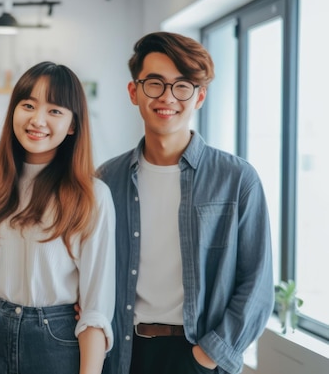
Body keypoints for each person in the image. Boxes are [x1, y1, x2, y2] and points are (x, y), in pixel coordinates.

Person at [98, 31, 274, 374]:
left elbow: (257, 285)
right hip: (122, 354)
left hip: (196, 356)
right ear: (134, 92)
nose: (168, 97)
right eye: (155, 83)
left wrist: (207, 358)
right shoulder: (106, 180)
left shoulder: (237, 179)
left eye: (182, 85)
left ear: (200, 96)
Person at [0, 61, 116, 374]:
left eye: (55, 110)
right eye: (28, 105)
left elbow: (96, 309)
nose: (37, 119)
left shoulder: (92, 196)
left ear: (73, 125)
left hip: (57, 345)